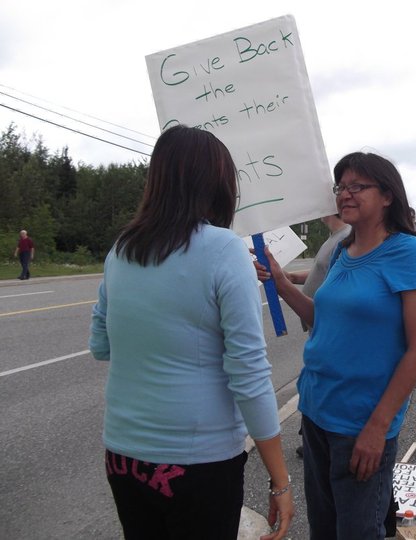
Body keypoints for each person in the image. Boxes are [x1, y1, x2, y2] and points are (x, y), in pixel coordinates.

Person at [88, 125, 294, 540]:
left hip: (124, 456)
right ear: (219, 185)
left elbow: (100, 344)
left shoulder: (121, 249)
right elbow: (249, 374)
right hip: (197, 462)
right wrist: (281, 480)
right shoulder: (224, 249)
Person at [257, 151, 416, 539]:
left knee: (358, 531)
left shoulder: (408, 253)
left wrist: (379, 426)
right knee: (324, 528)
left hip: (362, 421)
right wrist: (281, 282)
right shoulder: (342, 250)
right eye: (341, 187)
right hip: (318, 410)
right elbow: (324, 319)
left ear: (387, 195)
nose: (345, 194)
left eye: (358, 186)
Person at [283, 214, 351, 459]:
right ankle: (310, 432)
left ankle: (317, 437)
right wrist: (292, 277)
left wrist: (282, 282)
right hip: (318, 325)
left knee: (321, 374)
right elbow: (319, 270)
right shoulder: (335, 238)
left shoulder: (346, 237)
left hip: (326, 326)